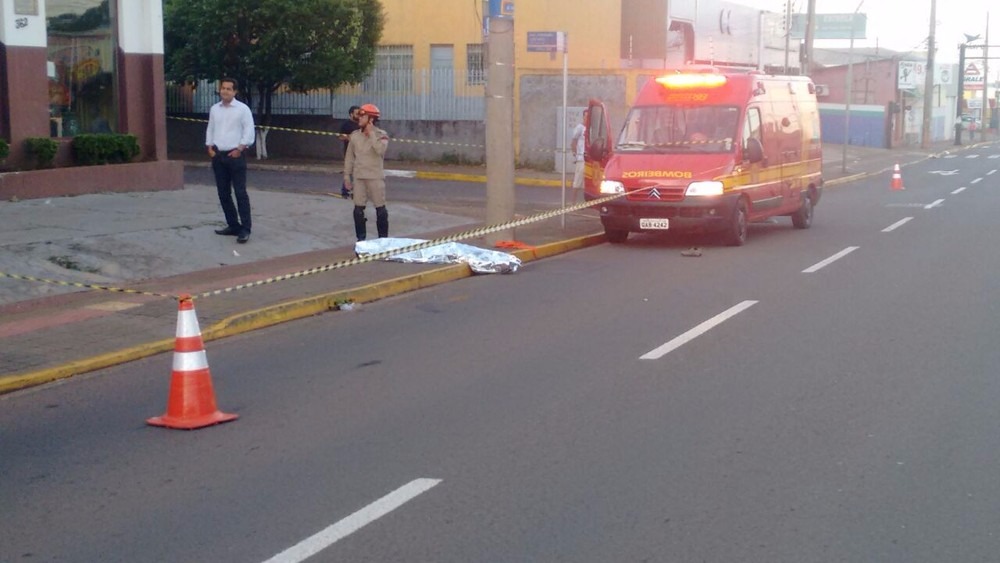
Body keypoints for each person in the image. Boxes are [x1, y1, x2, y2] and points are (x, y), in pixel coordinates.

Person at [205, 77, 256, 243]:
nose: (225, 91)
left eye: (228, 89)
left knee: (240, 193)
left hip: (235, 156)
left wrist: (239, 149)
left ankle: (245, 228)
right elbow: (211, 128)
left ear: (235, 92)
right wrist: (209, 148)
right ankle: (233, 225)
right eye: (223, 88)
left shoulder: (242, 109)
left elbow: (249, 132)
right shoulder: (215, 109)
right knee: (223, 193)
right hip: (218, 156)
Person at [344, 103, 390, 241]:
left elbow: (380, 150)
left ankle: (383, 240)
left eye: (362, 116)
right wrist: (347, 176)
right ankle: (361, 240)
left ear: (370, 119)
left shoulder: (381, 135)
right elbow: (350, 157)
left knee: (380, 210)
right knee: (358, 210)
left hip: (375, 177)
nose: (359, 119)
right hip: (359, 178)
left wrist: (370, 134)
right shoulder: (355, 136)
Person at [337, 106, 361, 198]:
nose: (359, 115)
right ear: (351, 114)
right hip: (349, 151)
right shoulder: (346, 125)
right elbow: (341, 136)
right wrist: (350, 138)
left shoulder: (360, 124)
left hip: (360, 151)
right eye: (357, 113)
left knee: (357, 172)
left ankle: (355, 191)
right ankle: (346, 191)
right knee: (349, 171)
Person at [569, 109, 588, 204]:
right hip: (581, 159)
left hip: (589, 159)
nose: (587, 118)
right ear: (583, 117)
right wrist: (576, 154)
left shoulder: (591, 128)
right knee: (578, 181)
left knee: (586, 182)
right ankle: (573, 202)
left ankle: (586, 202)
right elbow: (573, 142)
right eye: (586, 116)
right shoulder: (579, 128)